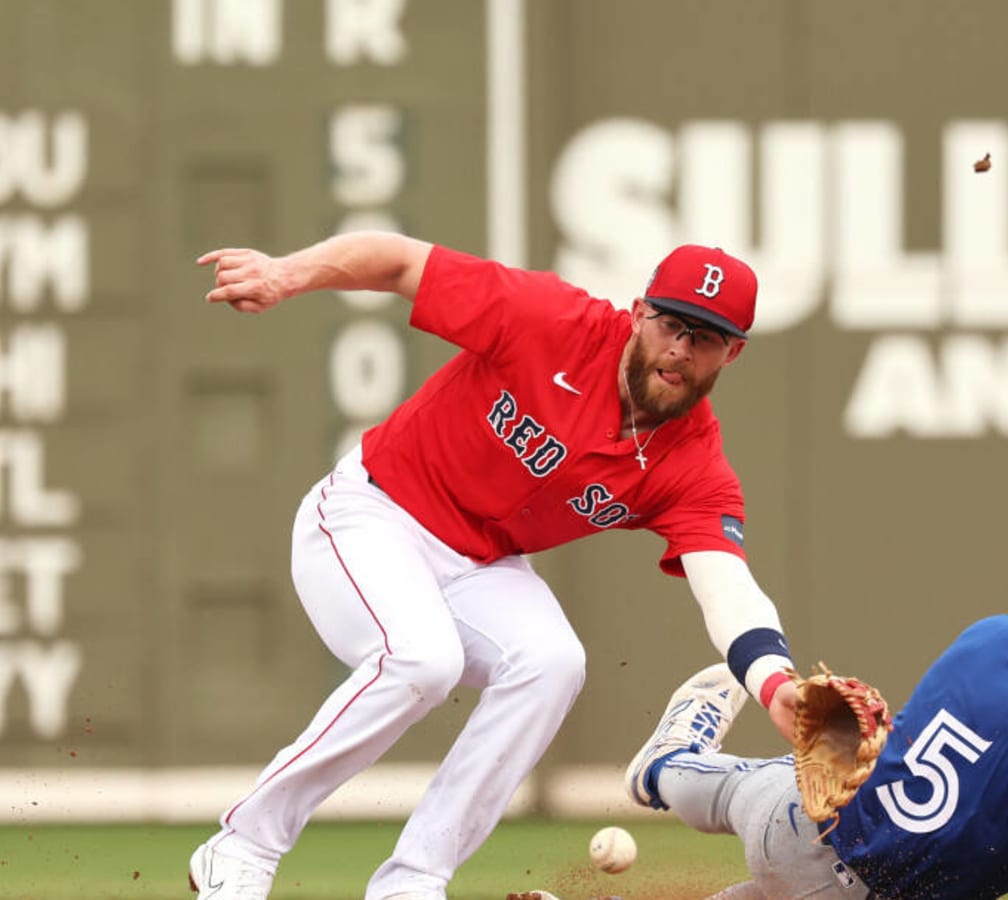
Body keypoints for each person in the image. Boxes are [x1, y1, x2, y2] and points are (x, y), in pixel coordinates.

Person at [188, 233, 802, 900]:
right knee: (423, 660)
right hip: (371, 513)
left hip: (480, 563)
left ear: (732, 353)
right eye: (672, 324)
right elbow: (398, 262)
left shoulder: (693, 465)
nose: (681, 348)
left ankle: (412, 882)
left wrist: (775, 684)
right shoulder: (551, 321)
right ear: (637, 313)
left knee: (553, 663)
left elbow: (727, 588)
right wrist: (284, 273)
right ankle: (244, 843)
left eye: (706, 337)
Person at [625, 543, 1008, 900]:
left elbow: (1001, 779)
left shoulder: (996, 633)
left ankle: (665, 767)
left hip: (803, 824)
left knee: (741, 788)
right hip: (863, 894)